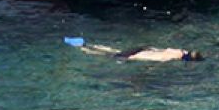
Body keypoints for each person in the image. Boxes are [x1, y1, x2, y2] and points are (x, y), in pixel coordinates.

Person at [70, 39, 202, 62]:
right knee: (109, 55)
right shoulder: (171, 58)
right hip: (136, 55)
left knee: (113, 50)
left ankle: (88, 44)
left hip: (142, 49)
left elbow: (156, 50)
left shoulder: (178, 51)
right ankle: (82, 48)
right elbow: (153, 60)